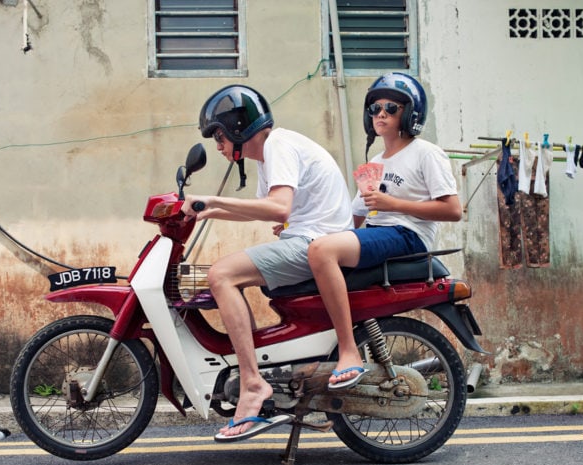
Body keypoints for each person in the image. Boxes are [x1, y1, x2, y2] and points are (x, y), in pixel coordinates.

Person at [181, 85, 353, 440]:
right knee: (225, 272)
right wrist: (211, 209)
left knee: (221, 275)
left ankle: (252, 383)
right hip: (308, 238)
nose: (218, 145)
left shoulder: (278, 145)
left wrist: (212, 201)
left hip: (313, 243)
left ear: (238, 127)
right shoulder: (270, 154)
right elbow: (270, 211)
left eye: (219, 135)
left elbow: (279, 208)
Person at [307, 72, 462, 390]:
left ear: (410, 113)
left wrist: (391, 202)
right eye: (375, 108)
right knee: (312, 251)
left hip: (407, 236)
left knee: (323, 250)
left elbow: (452, 209)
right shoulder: (375, 161)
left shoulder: (426, 153)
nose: (381, 114)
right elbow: (354, 218)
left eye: (391, 107)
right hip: (377, 234)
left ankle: (348, 351)